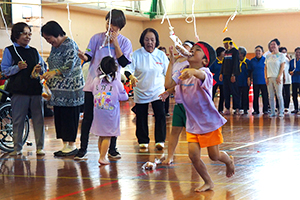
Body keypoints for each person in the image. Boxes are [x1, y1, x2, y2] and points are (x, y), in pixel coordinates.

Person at [165, 41, 234, 192]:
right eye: (193, 49)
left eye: (197, 50)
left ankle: (228, 161)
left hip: (208, 122)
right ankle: (208, 182)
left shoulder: (206, 73)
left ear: (205, 61)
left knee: (214, 156)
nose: (192, 51)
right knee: (193, 155)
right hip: (192, 122)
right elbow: (168, 83)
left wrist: (193, 72)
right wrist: (171, 62)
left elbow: (201, 74)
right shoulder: (183, 71)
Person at [76, 9, 132, 159]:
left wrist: (116, 44)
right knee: (88, 117)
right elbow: (88, 56)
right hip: (93, 85)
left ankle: (112, 149)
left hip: (112, 87)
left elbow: (124, 62)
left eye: (113, 24)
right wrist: (83, 56)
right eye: (108, 22)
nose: (109, 26)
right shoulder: (96, 38)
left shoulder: (125, 42)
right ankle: (82, 149)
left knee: (111, 117)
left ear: (120, 26)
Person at [1, 22, 46, 156]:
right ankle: (17, 148)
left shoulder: (33, 51)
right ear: (16, 35)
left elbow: (43, 67)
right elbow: (4, 71)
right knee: (18, 120)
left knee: (39, 120)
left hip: (35, 90)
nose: (28, 37)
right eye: (25, 33)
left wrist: (40, 69)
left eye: (29, 34)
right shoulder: (9, 50)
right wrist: (17, 68)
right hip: (19, 91)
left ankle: (39, 147)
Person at [41, 21, 85, 156]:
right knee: (60, 116)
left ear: (57, 33)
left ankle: (71, 145)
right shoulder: (55, 47)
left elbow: (69, 66)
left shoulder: (70, 45)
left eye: (49, 38)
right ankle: (65, 145)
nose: (49, 41)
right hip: (57, 90)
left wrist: (54, 72)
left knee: (69, 116)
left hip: (71, 90)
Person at [125, 28, 169, 151]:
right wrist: (130, 76)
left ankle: (160, 140)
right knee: (141, 116)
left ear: (156, 41)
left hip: (158, 91)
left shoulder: (161, 55)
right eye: (147, 39)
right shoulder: (136, 55)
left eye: (152, 40)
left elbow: (168, 72)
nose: (149, 42)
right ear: (142, 41)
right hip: (141, 91)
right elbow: (128, 69)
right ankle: (143, 140)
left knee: (160, 115)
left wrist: (169, 89)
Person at [88, 56, 128, 165]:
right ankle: (102, 157)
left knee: (101, 135)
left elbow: (92, 91)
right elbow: (124, 97)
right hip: (110, 114)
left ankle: (102, 155)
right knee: (107, 136)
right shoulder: (116, 82)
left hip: (98, 112)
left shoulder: (96, 80)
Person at [159, 40, 194, 165]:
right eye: (181, 48)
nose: (182, 50)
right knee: (174, 131)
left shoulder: (191, 65)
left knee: (192, 135)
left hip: (190, 105)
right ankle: (170, 156)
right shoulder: (177, 65)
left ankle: (195, 157)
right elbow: (173, 84)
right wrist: (168, 92)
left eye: (186, 48)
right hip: (179, 104)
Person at [265, 38, 285, 117]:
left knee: (279, 95)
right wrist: (266, 78)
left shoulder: (281, 55)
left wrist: (279, 76)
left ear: (278, 45)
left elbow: (282, 66)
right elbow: (265, 67)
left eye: (274, 44)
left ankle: (281, 111)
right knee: (271, 96)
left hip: (277, 78)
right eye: (271, 44)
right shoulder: (268, 56)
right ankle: (273, 112)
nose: (272, 46)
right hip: (270, 77)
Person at [219, 37, 240, 115]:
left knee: (234, 91)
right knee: (226, 92)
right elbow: (223, 64)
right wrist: (221, 73)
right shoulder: (226, 52)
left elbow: (235, 64)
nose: (224, 45)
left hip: (232, 75)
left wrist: (233, 74)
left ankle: (237, 108)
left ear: (229, 43)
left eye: (225, 44)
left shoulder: (235, 52)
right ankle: (227, 107)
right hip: (225, 75)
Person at [248, 45, 269, 115]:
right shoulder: (252, 61)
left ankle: (266, 109)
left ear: (262, 52)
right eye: (256, 51)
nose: (258, 52)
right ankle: (256, 110)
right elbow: (250, 71)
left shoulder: (266, 60)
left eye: (259, 51)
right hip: (256, 81)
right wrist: (249, 78)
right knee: (256, 96)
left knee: (265, 96)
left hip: (264, 81)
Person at [210, 47, 225, 113]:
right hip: (215, 81)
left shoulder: (225, 61)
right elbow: (210, 70)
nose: (224, 53)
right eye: (223, 52)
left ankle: (221, 109)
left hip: (223, 81)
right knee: (212, 94)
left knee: (223, 95)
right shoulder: (214, 61)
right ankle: (210, 108)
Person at [237, 47, 250, 114]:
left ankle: (245, 108)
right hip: (238, 80)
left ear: (242, 54)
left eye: (239, 53)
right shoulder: (236, 62)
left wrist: (249, 78)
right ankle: (238, 108)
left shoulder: (247, 62)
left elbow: (250, 71)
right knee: (238, 94)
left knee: (245, 95)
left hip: (245, 80)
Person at [158, 46, 170, 116]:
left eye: (164, 52)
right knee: (159, 97)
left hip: (166, 81)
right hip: (158, 82)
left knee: (166, 96)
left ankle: (166, 111)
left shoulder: (167, 60)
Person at [279, 47, 291, 113]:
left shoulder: (288, 60)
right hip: (280, 79)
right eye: (282, 52)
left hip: (288, 79)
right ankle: (281, 106)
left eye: (285, 52)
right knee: (281, 93)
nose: (284, 54)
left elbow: (292, 65)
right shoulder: (279, 60)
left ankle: (287, 106)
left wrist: (289, 58)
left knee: (287, 93)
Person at [289, 47, 300, 114]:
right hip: (294, 80)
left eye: (299, 52)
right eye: (297, 52)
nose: (298, 53)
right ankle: (296, 108)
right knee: (294, 95)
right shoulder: (292, 61)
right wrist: (290, 72)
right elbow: (289, 69)